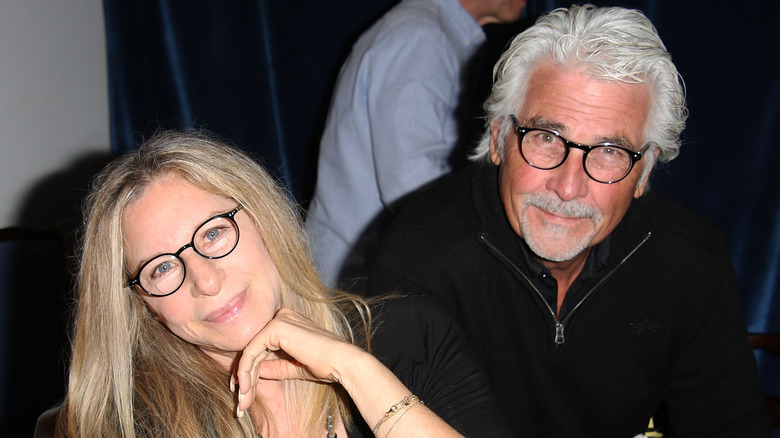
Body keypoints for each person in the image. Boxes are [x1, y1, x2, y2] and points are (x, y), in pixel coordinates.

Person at [368, 4, 772, 437]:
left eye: (609, 151)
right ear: (498, 137)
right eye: (546, 138)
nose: (568, 187)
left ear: (646, 172)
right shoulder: (421, 259)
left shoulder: (690, 261)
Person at [40, 131, 511, 437]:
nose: (205, 279)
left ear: (265, 221)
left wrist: (358, 372)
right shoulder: (132, 425)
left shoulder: (413, 337)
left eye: (214, 233)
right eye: (161, 268)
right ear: (142, 305)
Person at [305, 0, 526, 288]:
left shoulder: (428, 32)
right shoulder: (423, 37)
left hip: (361, 277)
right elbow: (411, 181)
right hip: (359, 287)